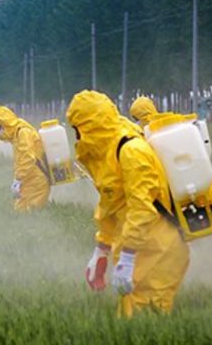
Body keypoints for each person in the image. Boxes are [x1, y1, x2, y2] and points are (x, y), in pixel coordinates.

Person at [67, 90, 190, 316]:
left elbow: (142, 209)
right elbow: (112, 203)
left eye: (76, 128)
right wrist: (102, 248)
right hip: (141, 248)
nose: (75, 136)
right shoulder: (109, 152)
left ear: (90, 126)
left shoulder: (131, 151)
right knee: (131, 318)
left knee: (144, 322)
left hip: (158, 251)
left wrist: (128, 256)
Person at [0, 106, 50, 211]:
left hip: (37, 180)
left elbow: (28, 158)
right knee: (20, 212)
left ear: (5, 122)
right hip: (28, 179)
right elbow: (21, 159)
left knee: (32, 212)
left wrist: (18, 179)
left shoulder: (23, 132)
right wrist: (19, 179)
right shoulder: (16, 134)